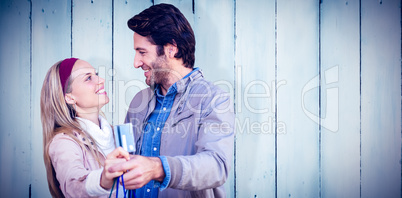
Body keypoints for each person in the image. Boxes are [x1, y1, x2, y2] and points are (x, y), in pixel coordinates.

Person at [108, 3, 235, 197]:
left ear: (171, 49)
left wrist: (158, 168)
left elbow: (217, 165)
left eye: (142, 52)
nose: (136, 63)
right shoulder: (138, 101)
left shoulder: (213, 99)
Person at [40, 58, 130, 197]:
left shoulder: (117, 134)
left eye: (96, 74)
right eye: (88, 78)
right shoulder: (64, 142)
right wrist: (103, 179)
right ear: (69, 97)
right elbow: (73, 185)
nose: (101, 80)